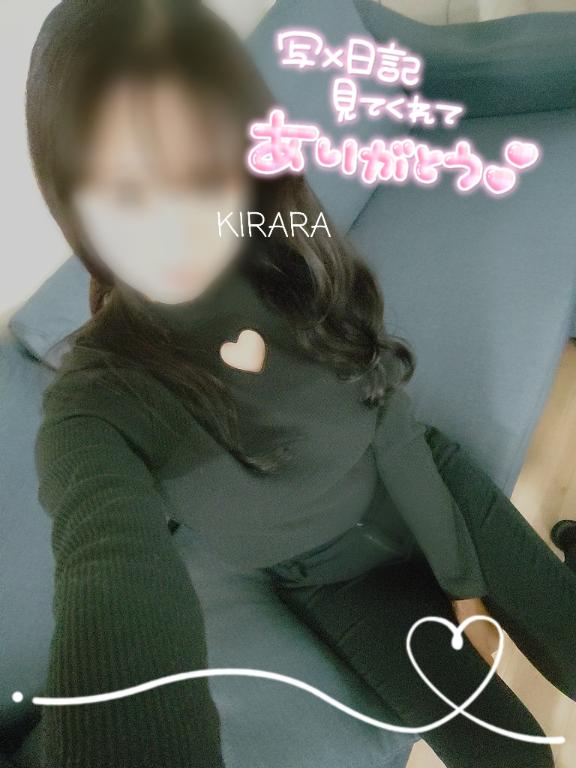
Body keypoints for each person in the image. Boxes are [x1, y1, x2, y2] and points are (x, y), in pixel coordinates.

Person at [11, 1, 576, 767]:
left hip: (424, 477)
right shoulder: (100, 402)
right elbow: (108, 568)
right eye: (125, 183)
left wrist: (460, 574)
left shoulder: (288, 246)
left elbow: (389, 412)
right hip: (336, 585)